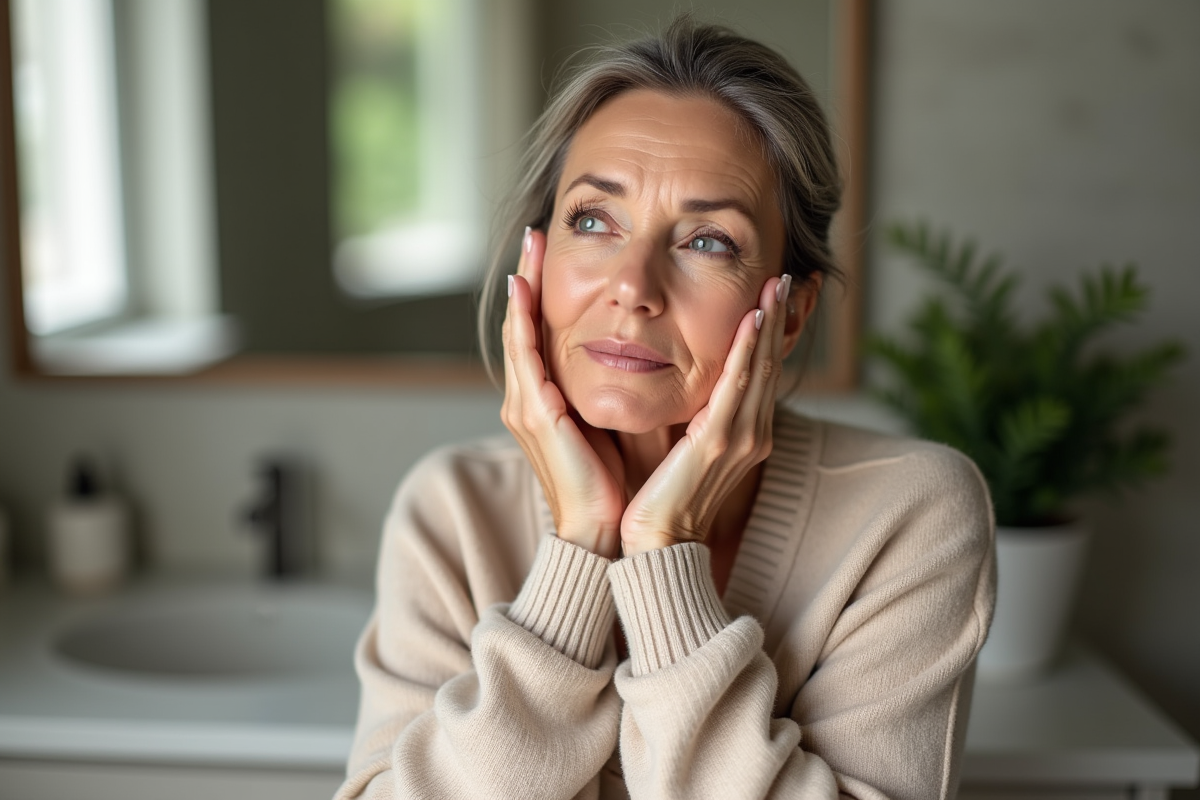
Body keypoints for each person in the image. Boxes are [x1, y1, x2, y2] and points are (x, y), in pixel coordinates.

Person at [337, 17, 995, 800]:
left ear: (788, 313)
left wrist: (662, 553)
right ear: (537, 262)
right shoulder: (450, 513)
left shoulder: (908, 515)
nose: (633, 286)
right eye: (593, 220)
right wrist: (578, 552)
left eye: (708, 240)